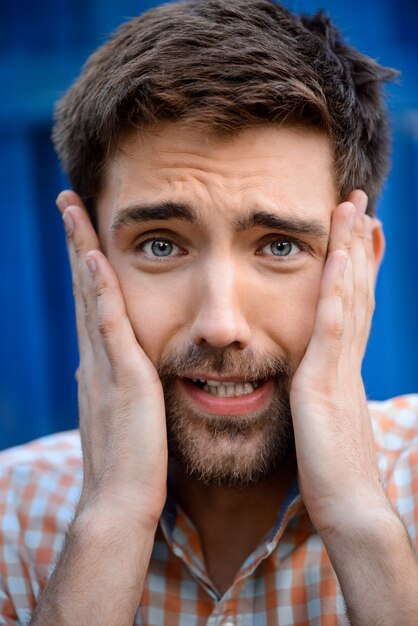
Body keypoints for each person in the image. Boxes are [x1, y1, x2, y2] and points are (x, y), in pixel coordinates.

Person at [1, 0, 417, 623]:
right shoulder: (9, 514)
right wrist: (110, 522)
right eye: (161, 245)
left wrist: (362, 520)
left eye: (280, 246)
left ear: (361, 265)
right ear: (85, 261)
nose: (221, 324)